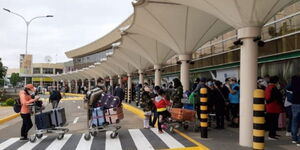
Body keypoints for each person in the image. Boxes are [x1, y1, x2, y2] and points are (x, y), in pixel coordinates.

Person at [265, 76, 284, 140]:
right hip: (274, 107)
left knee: (273, 121)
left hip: (269, 107)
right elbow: (278, 97)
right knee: (273, 122)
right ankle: (271, 135)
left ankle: (273, 133)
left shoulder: (268, 87)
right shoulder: (273, 88)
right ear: (276, 81)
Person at [291, 75, 300, 145]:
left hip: (294, 103)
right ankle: (299, 140)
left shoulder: (293, 82)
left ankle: (294, 138)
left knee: (294, 122)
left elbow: (287, 88)